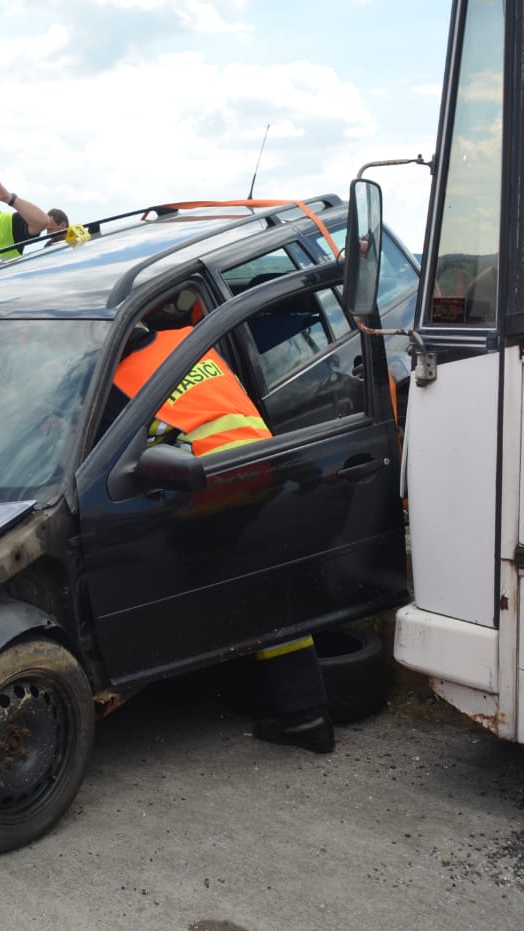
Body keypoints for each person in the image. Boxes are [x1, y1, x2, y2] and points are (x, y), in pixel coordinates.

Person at [112, 306, 335, 753]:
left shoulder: (120, 379)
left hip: (214, 490)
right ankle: (304, 714)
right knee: (268, 595)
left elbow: (115, 453)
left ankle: (290, 713)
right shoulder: (187, 339)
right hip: (264, 468)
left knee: (176, 575)